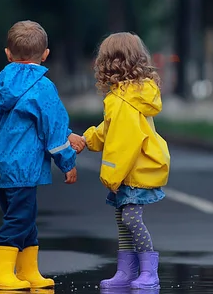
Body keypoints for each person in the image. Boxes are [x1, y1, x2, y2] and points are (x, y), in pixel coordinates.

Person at [0, 21, 82, 291]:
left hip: (1, 160)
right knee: (19, 218)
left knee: (23, 215)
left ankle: (28, 270)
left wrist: (67, 134)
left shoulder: (3, 84)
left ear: (8, 53)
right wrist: (67, 162)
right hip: (24, 164)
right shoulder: (43, 87)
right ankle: (0, 273)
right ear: (46, 54)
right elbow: (52, 130)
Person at [78, 32, 170, 290]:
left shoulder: (122, 100)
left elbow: (124, 143)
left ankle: (149, 272)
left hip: (133, 170)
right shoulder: (127, 95)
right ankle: (126, 271)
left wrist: (111, 175)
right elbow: (110, 130)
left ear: (109, 62)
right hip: (135, 169)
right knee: (123, 220)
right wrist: (87, 139)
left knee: (130, 219)